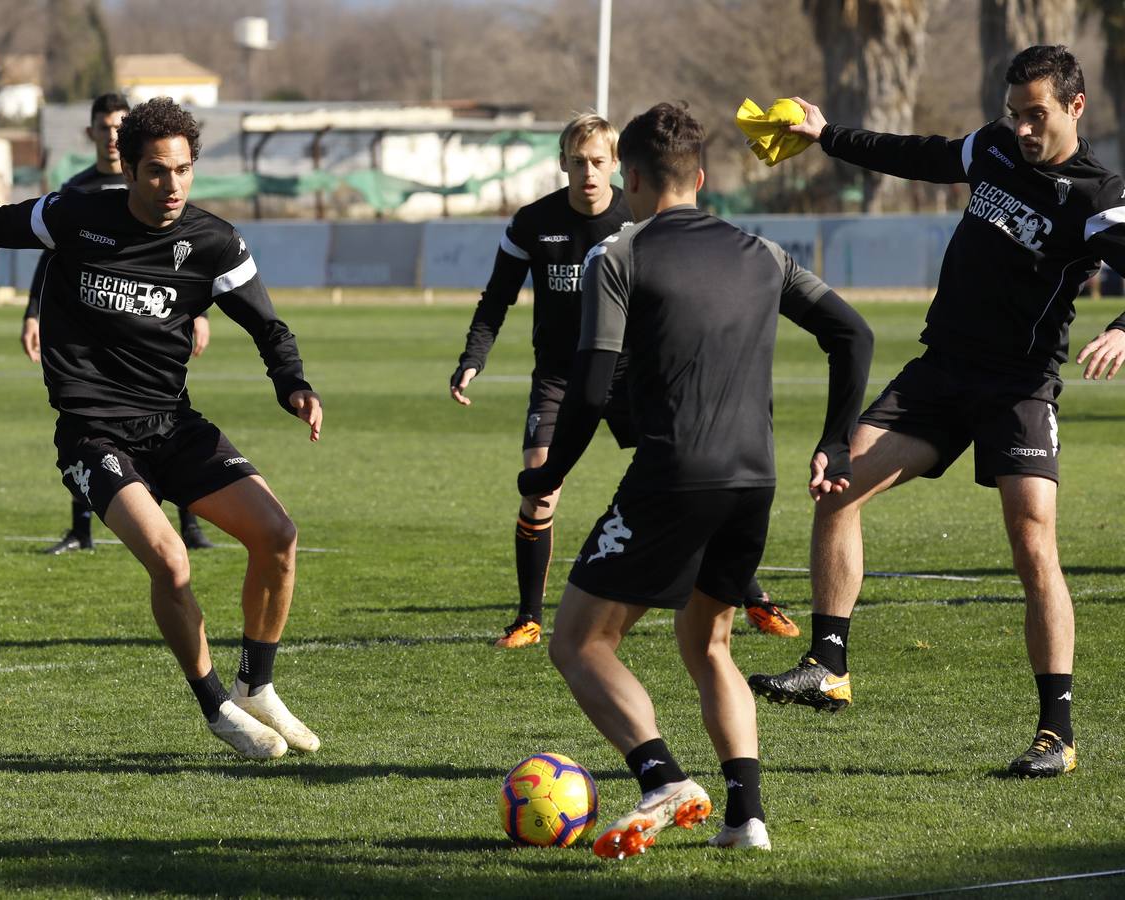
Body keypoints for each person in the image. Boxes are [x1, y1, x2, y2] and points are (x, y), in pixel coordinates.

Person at [0, 97, 324, 760]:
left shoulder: (214, 241)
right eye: (159, 172)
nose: (173, 186)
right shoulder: (78, 216)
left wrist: (295, 386)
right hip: (93, 433)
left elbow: (268, 327)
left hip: (172, 424)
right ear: (129, 170)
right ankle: (218, 705)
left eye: (185, 170)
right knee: (170, 558)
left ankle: (258, 684)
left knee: (279, 535)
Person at [747, 45, 1125, 778]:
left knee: (1034, 542)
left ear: (1076, 107)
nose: (1019, 127)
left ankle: (1057, 733)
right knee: (839, 483)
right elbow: (918, 155)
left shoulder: (1095, 196)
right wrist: (827, 135)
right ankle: (829, 665)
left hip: (1019, 386)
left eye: (1036, 114)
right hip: (940, 372)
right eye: (1013, 112)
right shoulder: (990, 147)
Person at [519, 102, 872, 857]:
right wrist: (835, 442)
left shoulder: (618, 256)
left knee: (580, 642)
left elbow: (586, 392)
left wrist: (548, 472)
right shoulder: (760, 251)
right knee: (708, 641)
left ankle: (661, 776)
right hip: (754, 479)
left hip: (674, 474)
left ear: (632, 176)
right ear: (703, 178)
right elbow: (854, 332)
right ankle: (747, 820)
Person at [450, 113, 800, 647]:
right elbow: (495, 298)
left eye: (597, 162)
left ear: (618, 165)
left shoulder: (635, 216)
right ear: (562, 164)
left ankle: (754, 596)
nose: (587, 173)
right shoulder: (530, 223)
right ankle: (527, 618)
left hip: (634, 371)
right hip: (561, 376)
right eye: (576, 162)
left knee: (687, 481)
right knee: (541, 492)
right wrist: (474, 356)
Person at [21, 92, 215, 555]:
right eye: (103, 127)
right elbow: (50, 252)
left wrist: (201, 312)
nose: (111, 135)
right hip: (91, 327)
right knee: (90, 422)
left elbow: (187, 257)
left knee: (168, 415)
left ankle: (191, 524)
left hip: (153, 321)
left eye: (118, 126)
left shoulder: (165, 182)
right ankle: (81, 529)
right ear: (91, 134)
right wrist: (33, 312)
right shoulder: (77, 193)